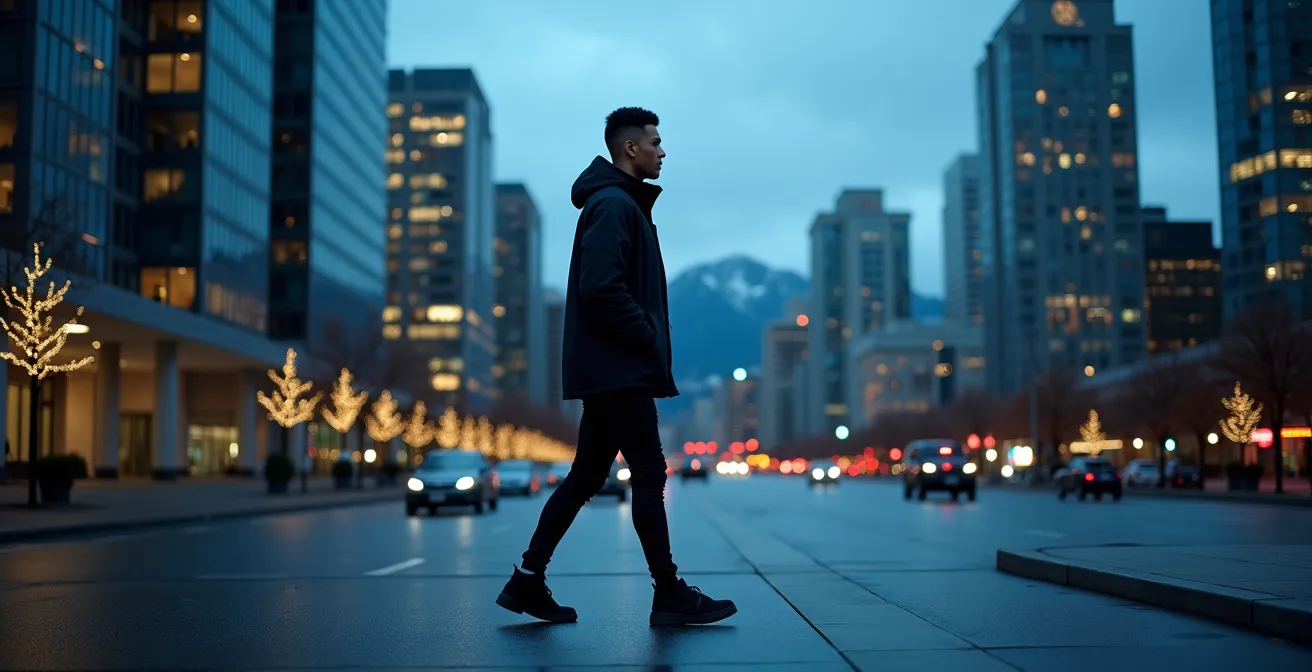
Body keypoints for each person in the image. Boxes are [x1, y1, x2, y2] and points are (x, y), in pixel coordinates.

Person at [496, 107, 737, 626]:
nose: (662, 150)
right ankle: (669, 592)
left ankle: (527, 581)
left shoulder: (622, 204)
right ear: (630, 148)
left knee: (586, 476)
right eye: (655, 141)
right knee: (649, 474)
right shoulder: (613, 205)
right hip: (618, 371)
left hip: (611, 369)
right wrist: (644, 336)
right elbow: (601, 286)